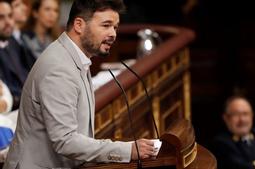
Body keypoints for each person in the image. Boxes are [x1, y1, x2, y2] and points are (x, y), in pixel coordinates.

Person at [3, 0, 155, 169]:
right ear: (79, 25)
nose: (113, 34)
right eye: (106, 25)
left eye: (115, 27)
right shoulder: (59, 68)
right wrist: (128, 150)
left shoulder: (75, 56)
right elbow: (65, 141)